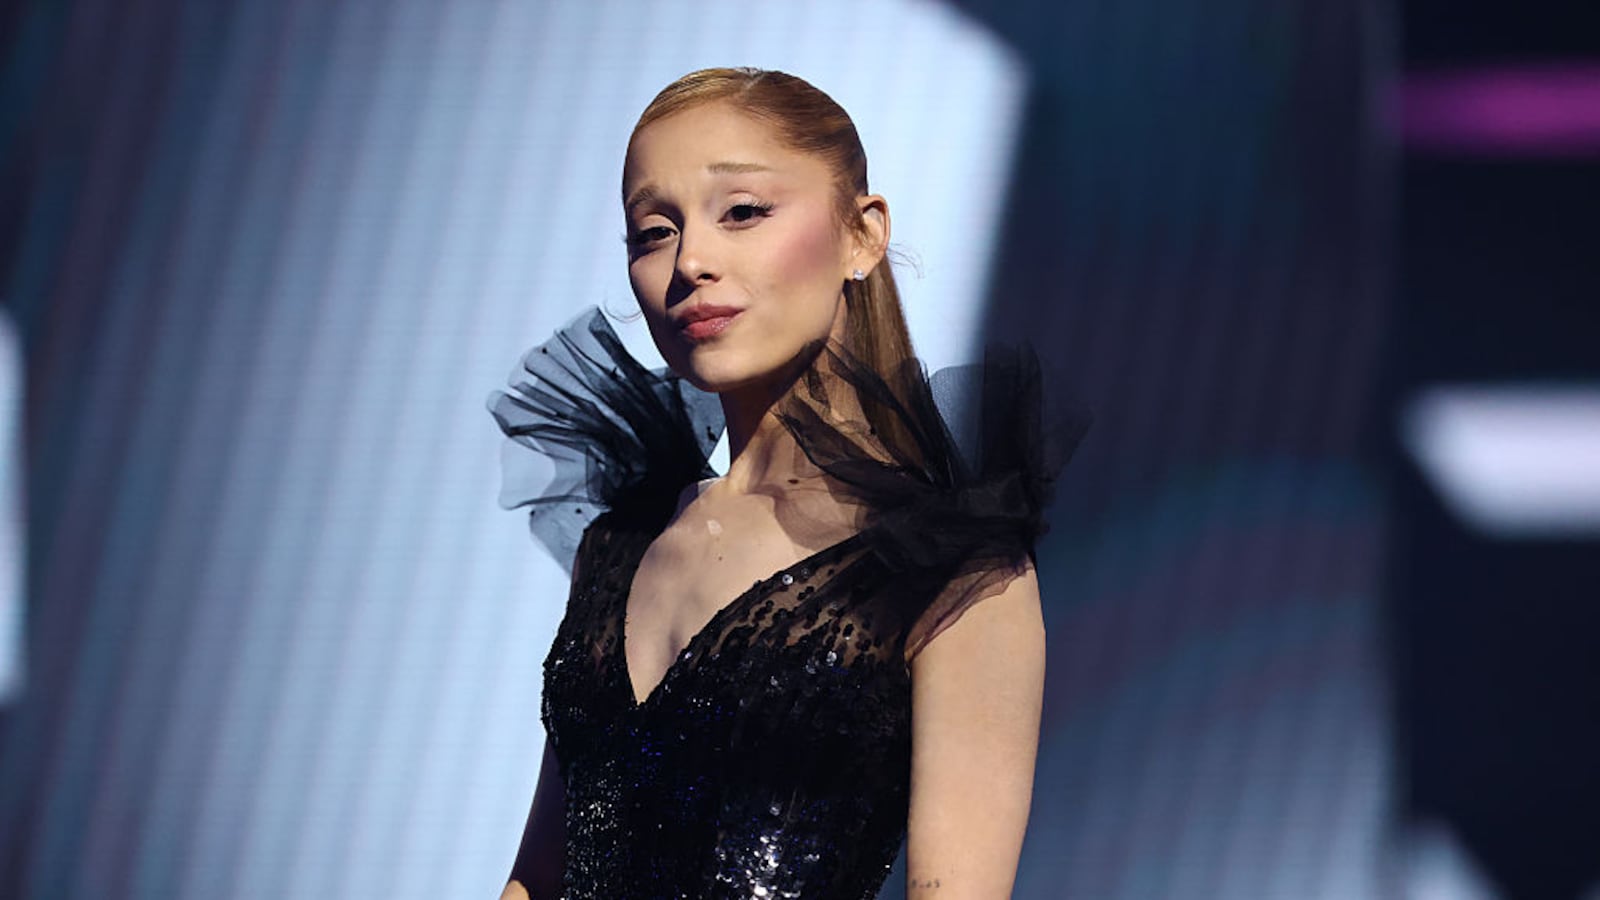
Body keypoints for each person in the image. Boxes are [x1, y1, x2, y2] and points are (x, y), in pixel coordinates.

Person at [488, 67, 1087, 899]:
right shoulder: (621, 546)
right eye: (652, 232)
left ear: (862, 235)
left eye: (742, 212)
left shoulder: (951, 574)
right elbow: (536, 881)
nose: (690, 260)